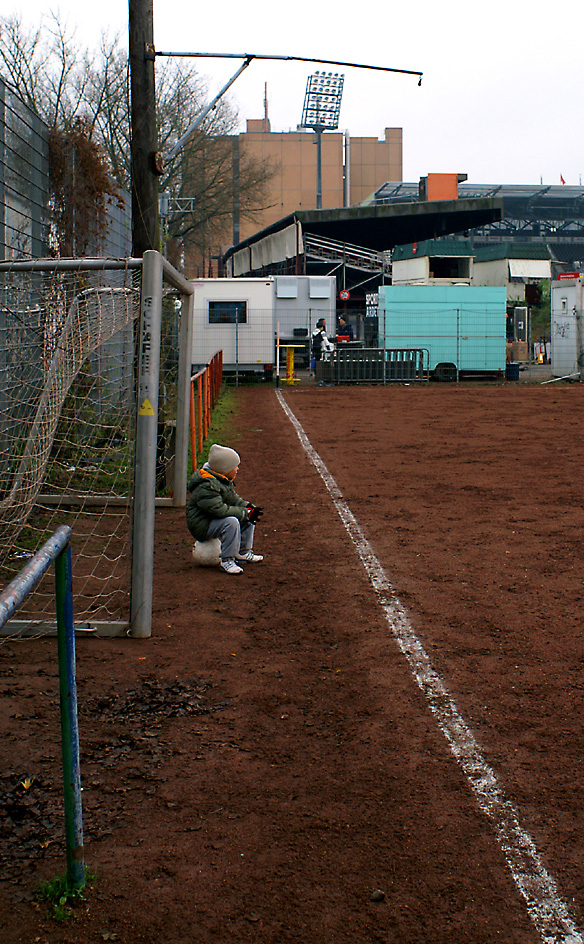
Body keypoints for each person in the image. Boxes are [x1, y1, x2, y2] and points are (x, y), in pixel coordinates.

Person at [186, 443, 264, 575]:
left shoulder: (221, 478)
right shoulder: (207, 486)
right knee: (232, 522)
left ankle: (243, 552)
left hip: (212, 520)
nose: (237, 469)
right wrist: (245, 513)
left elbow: (233, 499)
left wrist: (248, 508)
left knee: (248, 515)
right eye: (235, 467)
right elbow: (219, 510)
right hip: (201, 525)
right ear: (224, 468)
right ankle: (226, 560)